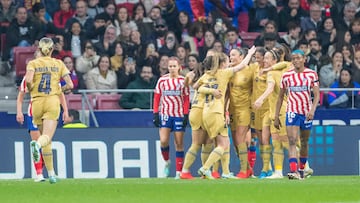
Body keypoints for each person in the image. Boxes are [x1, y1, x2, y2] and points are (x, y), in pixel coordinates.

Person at [196, 46, 256, 179]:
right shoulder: (224, 73)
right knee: (223, 144)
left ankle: (226, 172)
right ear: (223, 64)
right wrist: (250, 53)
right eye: (228, 58)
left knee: (223, 143)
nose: (230, 60)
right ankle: (206, 168)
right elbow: (242, 65)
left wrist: (210, 90)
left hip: (206, 112)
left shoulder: (207, 75)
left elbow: (196, 87)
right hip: (217, 112)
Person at [16, 51, 70, 182]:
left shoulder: (52, 74)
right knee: (41, 141)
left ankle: (50, 173)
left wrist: (66, 110)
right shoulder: (36, 74)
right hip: (34, 111)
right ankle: (39, 174)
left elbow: (60, 95)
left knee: (45, 142)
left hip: (37, 109)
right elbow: (21, 95)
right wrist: (19, 112)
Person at [274, 49, 320, 180]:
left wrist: (312, 110)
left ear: (304, 59)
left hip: (306, 113)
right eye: (293, 58)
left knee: (304, 142)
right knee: (292, 141)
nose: (296, 60)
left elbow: (316, 95)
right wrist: (276, 117)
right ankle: (293, 171)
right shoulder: (286, 76)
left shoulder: (311, 74)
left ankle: (301, 170)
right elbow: (280, 97)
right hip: (292, 111)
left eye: (298, 58)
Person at [152, 56, 190, 179]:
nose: (172, 68)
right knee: (163, 141)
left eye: (174, 66)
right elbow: (157, 97)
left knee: (179, 143)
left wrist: (185, 114)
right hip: (165, 114)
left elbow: (186, 99)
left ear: (179, 67)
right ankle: (167, 162)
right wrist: (155, 113)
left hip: (178, 114)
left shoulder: (183, 81)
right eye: (170, 66)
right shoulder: (162, 80)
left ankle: (178, 172)